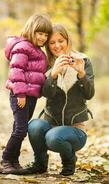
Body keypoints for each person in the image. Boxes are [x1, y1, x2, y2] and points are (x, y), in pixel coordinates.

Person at [19, 24, 95, 176]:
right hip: (51, 122)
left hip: (75, 130)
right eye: (52, 43)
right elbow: (46, 93)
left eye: (61, 41)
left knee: (53, 137)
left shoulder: (83, 61)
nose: (57, 46)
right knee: (34, 125)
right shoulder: (45, 64)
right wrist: (52, 75)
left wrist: (81, 74)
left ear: (67, 40)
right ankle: (39, 164)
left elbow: (89, 94)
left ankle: (69, 162)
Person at [0, 14, 52, 174]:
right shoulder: (23, 47)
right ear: (31, 30)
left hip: (31, 96)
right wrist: (21, 94)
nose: (43, 37)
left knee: (19, 127)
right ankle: (6, 159)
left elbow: (37, 72)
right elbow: (16, 70)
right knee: (21, 130)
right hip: (20, 95)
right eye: (40, 33)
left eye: (45, 34)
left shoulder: (38, 51)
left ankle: (14, 161)